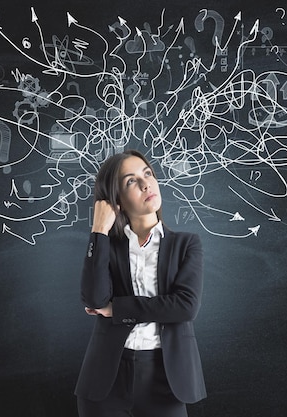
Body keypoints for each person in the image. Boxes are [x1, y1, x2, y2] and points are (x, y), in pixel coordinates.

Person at [75, 149, 206, 417]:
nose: (146, 183)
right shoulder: (107, 247)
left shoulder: (186, 244)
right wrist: (98, 230)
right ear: (117, 200)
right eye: (131, 181)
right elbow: (94, 300)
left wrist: (119, 309)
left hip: (167, 379)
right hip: (106, 379)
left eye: (147, 174)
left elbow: (185, 307)